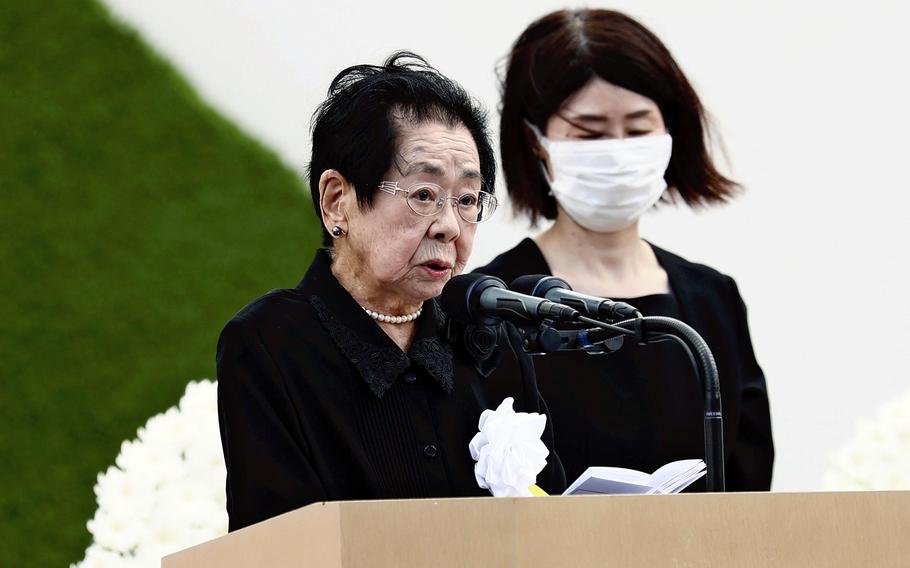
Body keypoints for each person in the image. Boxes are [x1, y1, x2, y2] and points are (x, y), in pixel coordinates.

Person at [216, 52, 564, 532]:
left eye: (466, 200)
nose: (448, 225)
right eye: (423, 195)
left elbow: (555, 521)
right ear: (337, 201)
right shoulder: (271, 343)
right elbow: (276, 544)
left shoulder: (489, 336)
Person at [475, 9, 774, 490]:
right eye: (589, 134)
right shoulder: (497, 302)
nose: (616, 150)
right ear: (535, 142)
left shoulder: (713, 301)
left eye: (638, 130)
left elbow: (749, 488)